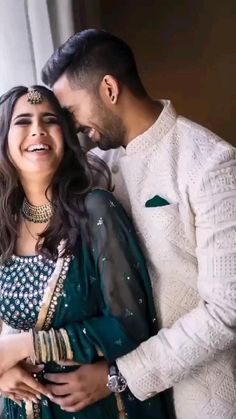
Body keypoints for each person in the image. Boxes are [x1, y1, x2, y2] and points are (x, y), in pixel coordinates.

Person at [41, 29, 236, 419]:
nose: (71, 126)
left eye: (71, 111)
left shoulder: (210, 164)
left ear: (109, 89)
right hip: (126, 405)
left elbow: (226, 310)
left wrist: (120, 374)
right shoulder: (100, 173)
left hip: (199, 399)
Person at [0, 85, 174, 419]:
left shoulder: (96, 211)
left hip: (99, 408)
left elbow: (131, 326)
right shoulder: (5, 225)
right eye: (23, 121)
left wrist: (27, 346)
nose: (37, 129)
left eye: (49, 120)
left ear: (65, 137)